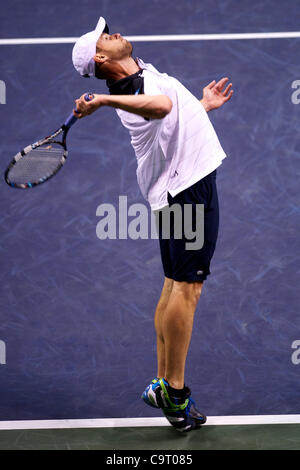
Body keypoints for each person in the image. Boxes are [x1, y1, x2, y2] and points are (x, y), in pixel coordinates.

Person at [72, 16, 233, 433]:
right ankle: (175, 390)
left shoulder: (138, 74)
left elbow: (170, 114)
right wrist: (103, 102)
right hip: (188, 190)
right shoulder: (126, 89)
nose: (113, 33)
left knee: (172, 283)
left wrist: (201, 109)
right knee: (188, 288)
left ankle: (165, 383)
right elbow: (160, 106)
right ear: (102, 58)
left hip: (174, 190)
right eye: (104, 38)